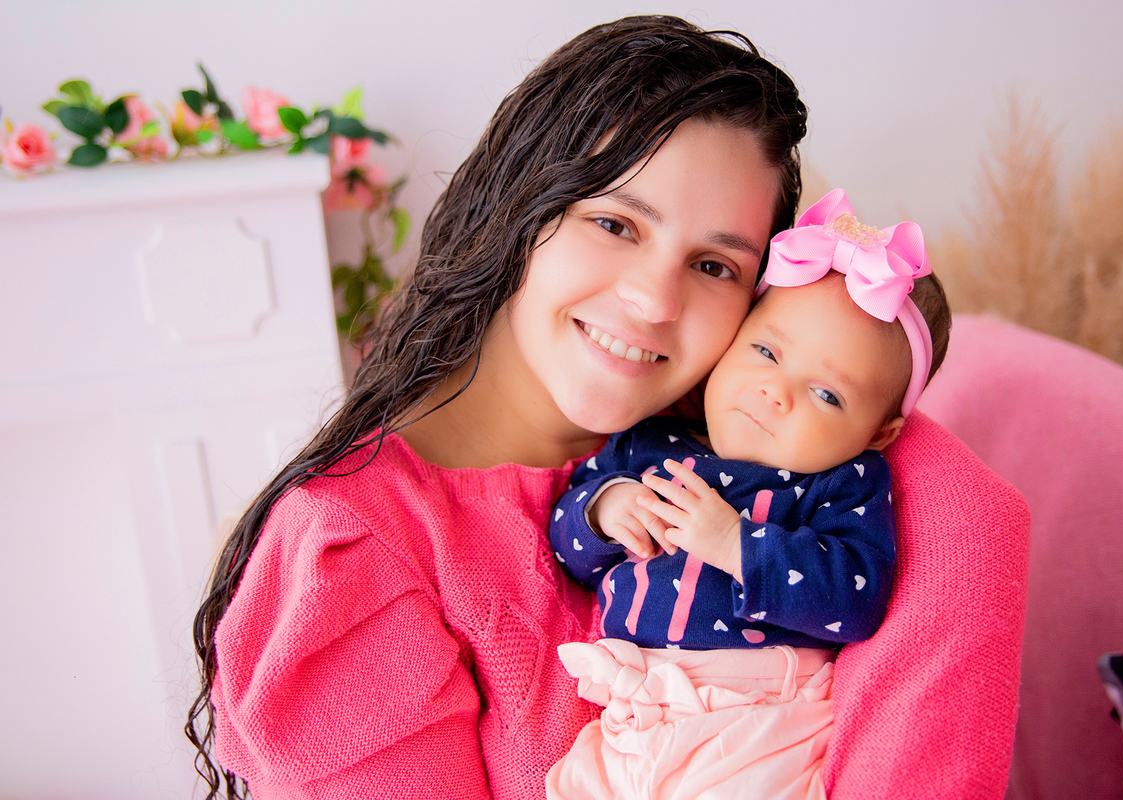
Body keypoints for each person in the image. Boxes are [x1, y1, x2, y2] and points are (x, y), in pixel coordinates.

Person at [187, 15, 1026, 800]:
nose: (652, 300)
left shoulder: (836, 466)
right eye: (617, 224)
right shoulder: (355, 554)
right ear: (519, 210)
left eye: (713, 266)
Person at [545, 189, 950, 799]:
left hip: (759, 722)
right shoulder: (653, 441)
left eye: (827, 395)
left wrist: (735, 544)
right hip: (631, 711)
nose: (774, 392)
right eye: (764, 353)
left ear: (879, 433)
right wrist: (606, 509)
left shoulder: (843, 484)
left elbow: (855, 599)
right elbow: (565, 541)